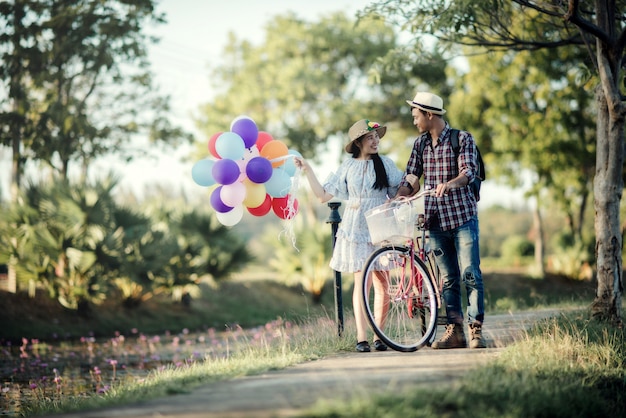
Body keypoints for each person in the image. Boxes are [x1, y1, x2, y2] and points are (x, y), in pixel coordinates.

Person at [294, 119, 404, 352]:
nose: (375, 141)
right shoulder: (348, 167)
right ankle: (361, 337)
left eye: (377, 137)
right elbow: (323, 195)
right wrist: (308, 170)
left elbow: (400, 191)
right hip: (356, 227)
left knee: (382, 282)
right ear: (358, 142)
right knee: (361, 282)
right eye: (370, 137)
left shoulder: (386, 163)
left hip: (380, 224)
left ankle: (380, 336)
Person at [396, 92, 486, 349]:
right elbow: (412, 177)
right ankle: (455, 332)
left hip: (462, 217)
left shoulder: (462, 138)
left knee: (470, 274)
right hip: (434, 220)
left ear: (430, 114)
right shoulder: (420, 144)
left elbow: (468, 172)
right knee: (447, 278)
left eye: (416, 115)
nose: (414, 120)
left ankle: (476, 330)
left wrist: (450, 184)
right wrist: (399, 197)